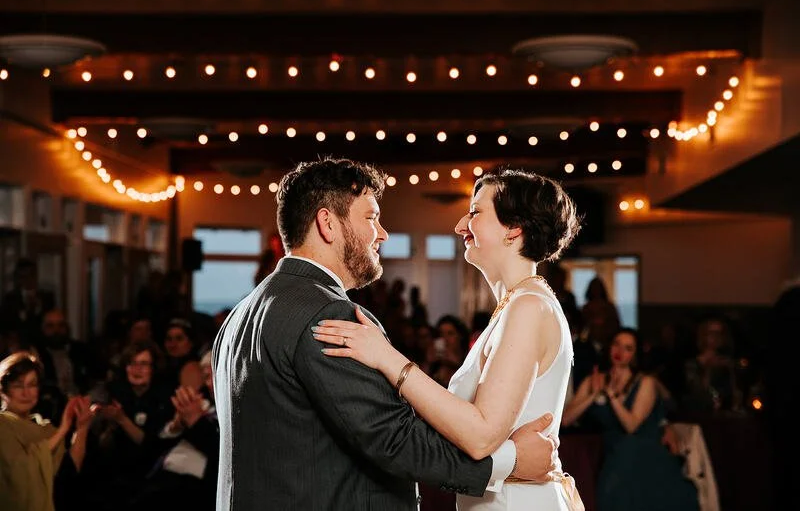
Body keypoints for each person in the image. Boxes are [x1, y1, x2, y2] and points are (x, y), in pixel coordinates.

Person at [212, 159, 558, 511]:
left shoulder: (241, 314)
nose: (382, 233)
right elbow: (393, 439)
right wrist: (511, 462)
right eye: (370, 217)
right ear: (327, 223)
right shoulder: (328, 314)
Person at [315, 168, 584, 511]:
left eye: (475, 212)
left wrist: (386, 357)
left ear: (514, 229)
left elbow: (481, 434)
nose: (460, 225)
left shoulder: (529, 307)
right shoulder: (516, 305)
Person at [561, 329, 699, 511]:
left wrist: (611, 394)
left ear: (635, 355)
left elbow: (631, 425)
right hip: (614, 453)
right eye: (616, 344)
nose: (619, 351)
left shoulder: (645, 382)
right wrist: (592, 396)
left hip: (645, 454)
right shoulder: (594, 380)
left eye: (628, 348)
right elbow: (565, 420)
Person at [0, 351, 94, 511]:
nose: (26, 393)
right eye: (18, 385)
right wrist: (64, 429)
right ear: (3, 390)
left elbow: (68, 472)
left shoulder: (46, 429)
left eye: (32, 385)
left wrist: (82, 427)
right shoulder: (3, 424)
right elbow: (18, 472)